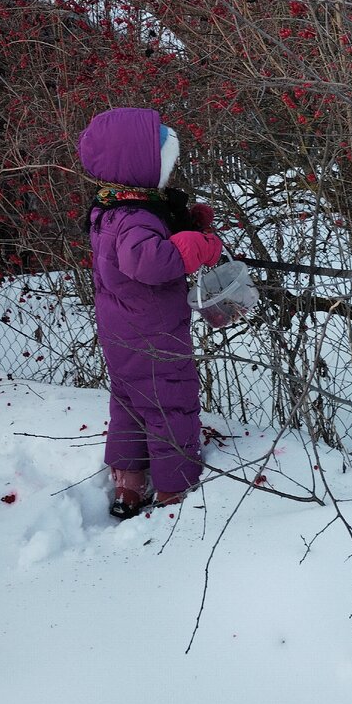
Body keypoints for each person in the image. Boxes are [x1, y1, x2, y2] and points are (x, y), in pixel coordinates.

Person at [77, 106, 222, 519]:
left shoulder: (111, 207)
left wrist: (185, 224)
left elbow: (136, 247)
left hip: (120, 330)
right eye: (165, 166)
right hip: (153, 333)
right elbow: (150, 261)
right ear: (138, 167)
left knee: (128, 401)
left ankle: (128, 484)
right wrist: (200, 245)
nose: (169, 174)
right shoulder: (136, 218)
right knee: (170, 405)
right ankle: (175, 493)